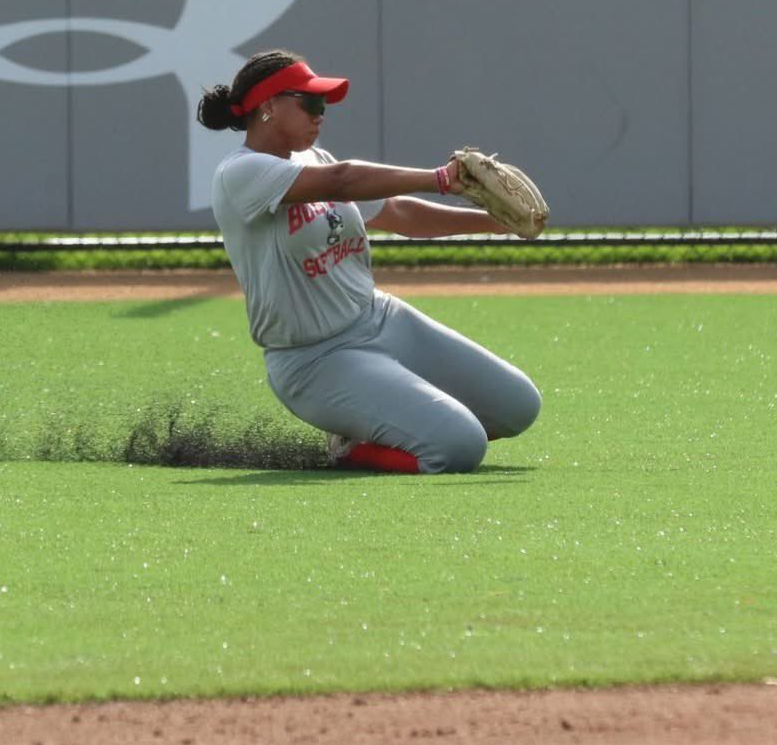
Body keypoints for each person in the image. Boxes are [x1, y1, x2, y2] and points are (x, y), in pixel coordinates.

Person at [197, 48, 541, 474]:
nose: (320, 114)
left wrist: (492, 223)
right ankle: (349, 447)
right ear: (267, 106)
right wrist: (438, 179)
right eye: (310, 103)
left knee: (519, 405)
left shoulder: (314, 158)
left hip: (380, 318)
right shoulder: (240, 173)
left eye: (322, 105)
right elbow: (342, 180)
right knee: (458, 446)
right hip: (315, 360)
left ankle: (392, 421)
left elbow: (400, 214)